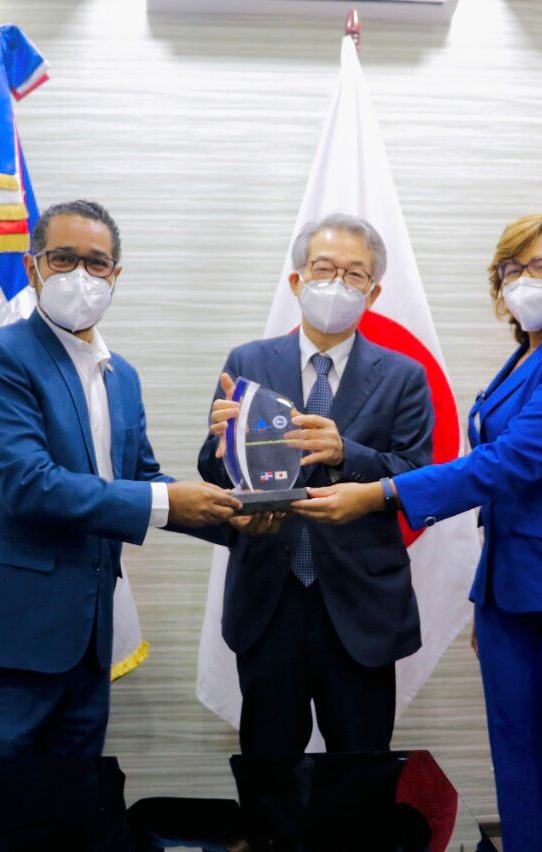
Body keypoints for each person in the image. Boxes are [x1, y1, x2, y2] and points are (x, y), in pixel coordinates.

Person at [293, 214, 542, 850]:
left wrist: (384, 493)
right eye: (512, 269)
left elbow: (513, 462)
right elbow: (504, 506)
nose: (524, 279)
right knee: (520, 772)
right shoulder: (523, 360)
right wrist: (490, 599)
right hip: (513, 600)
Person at [0, 200, 242, 757]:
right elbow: (29, 484)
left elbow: (142, 477)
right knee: (0, 805)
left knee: (78, 801)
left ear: (115, 274)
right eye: (63, 258)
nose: (80, 275)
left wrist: (238, 514)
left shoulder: (120, 375)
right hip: (7, 643)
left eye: (96, 263)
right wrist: (169, 501)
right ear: (33, 266)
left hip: (87, 645)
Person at [198, 213, 434, 757]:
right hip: (269, 596)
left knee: (360, 771)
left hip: (360, 604)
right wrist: (220, 447)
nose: (336, 283)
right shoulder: (248, 361)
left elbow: (419, 478)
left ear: (373, 292)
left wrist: (347, 452)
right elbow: (214, 474)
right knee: (269, 769)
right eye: (323, 268)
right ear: (296, 280)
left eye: (354, 274)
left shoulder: (403, 375)